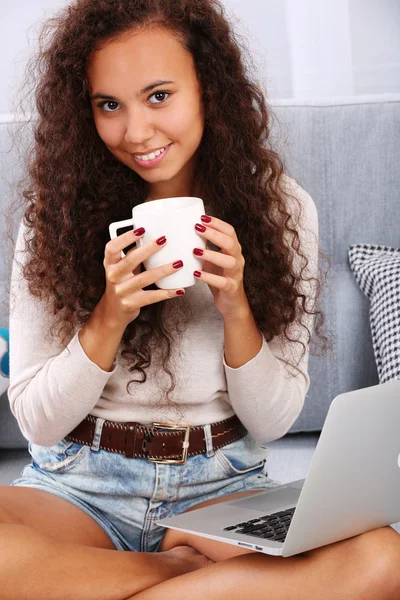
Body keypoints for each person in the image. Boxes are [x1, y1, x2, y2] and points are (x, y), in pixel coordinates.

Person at [3, 0, 400, 598]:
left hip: (221, 486)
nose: (136, 132)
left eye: (159, 95)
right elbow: (37, 420)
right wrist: (110, 316)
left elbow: (272, 420)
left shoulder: (282, 211)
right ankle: (183, 579)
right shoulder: (53, 218)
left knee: (383, 559)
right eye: (109, 105)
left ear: (208, 89)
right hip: (79, 485)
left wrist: (237, 306)